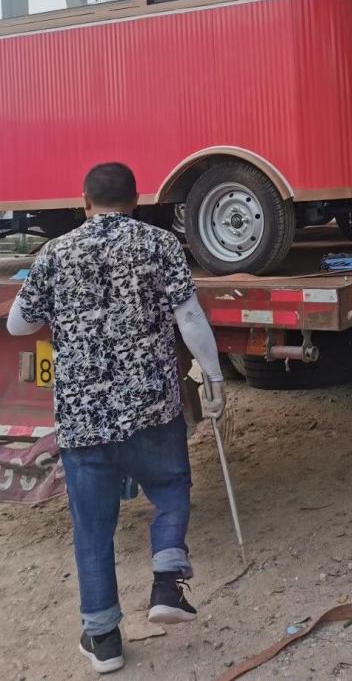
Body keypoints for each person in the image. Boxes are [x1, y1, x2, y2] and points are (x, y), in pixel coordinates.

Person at [6, 163, 226, 674]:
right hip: (152, 406)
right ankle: (167, 583)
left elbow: (19, 324)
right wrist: (214, 378)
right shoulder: (160, 245)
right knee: (170, 487)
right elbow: (189, 318)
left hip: (84, 421)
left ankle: (104, 639)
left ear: (85, 201)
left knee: (92, 528)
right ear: (137, 200)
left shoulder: (55, 253)